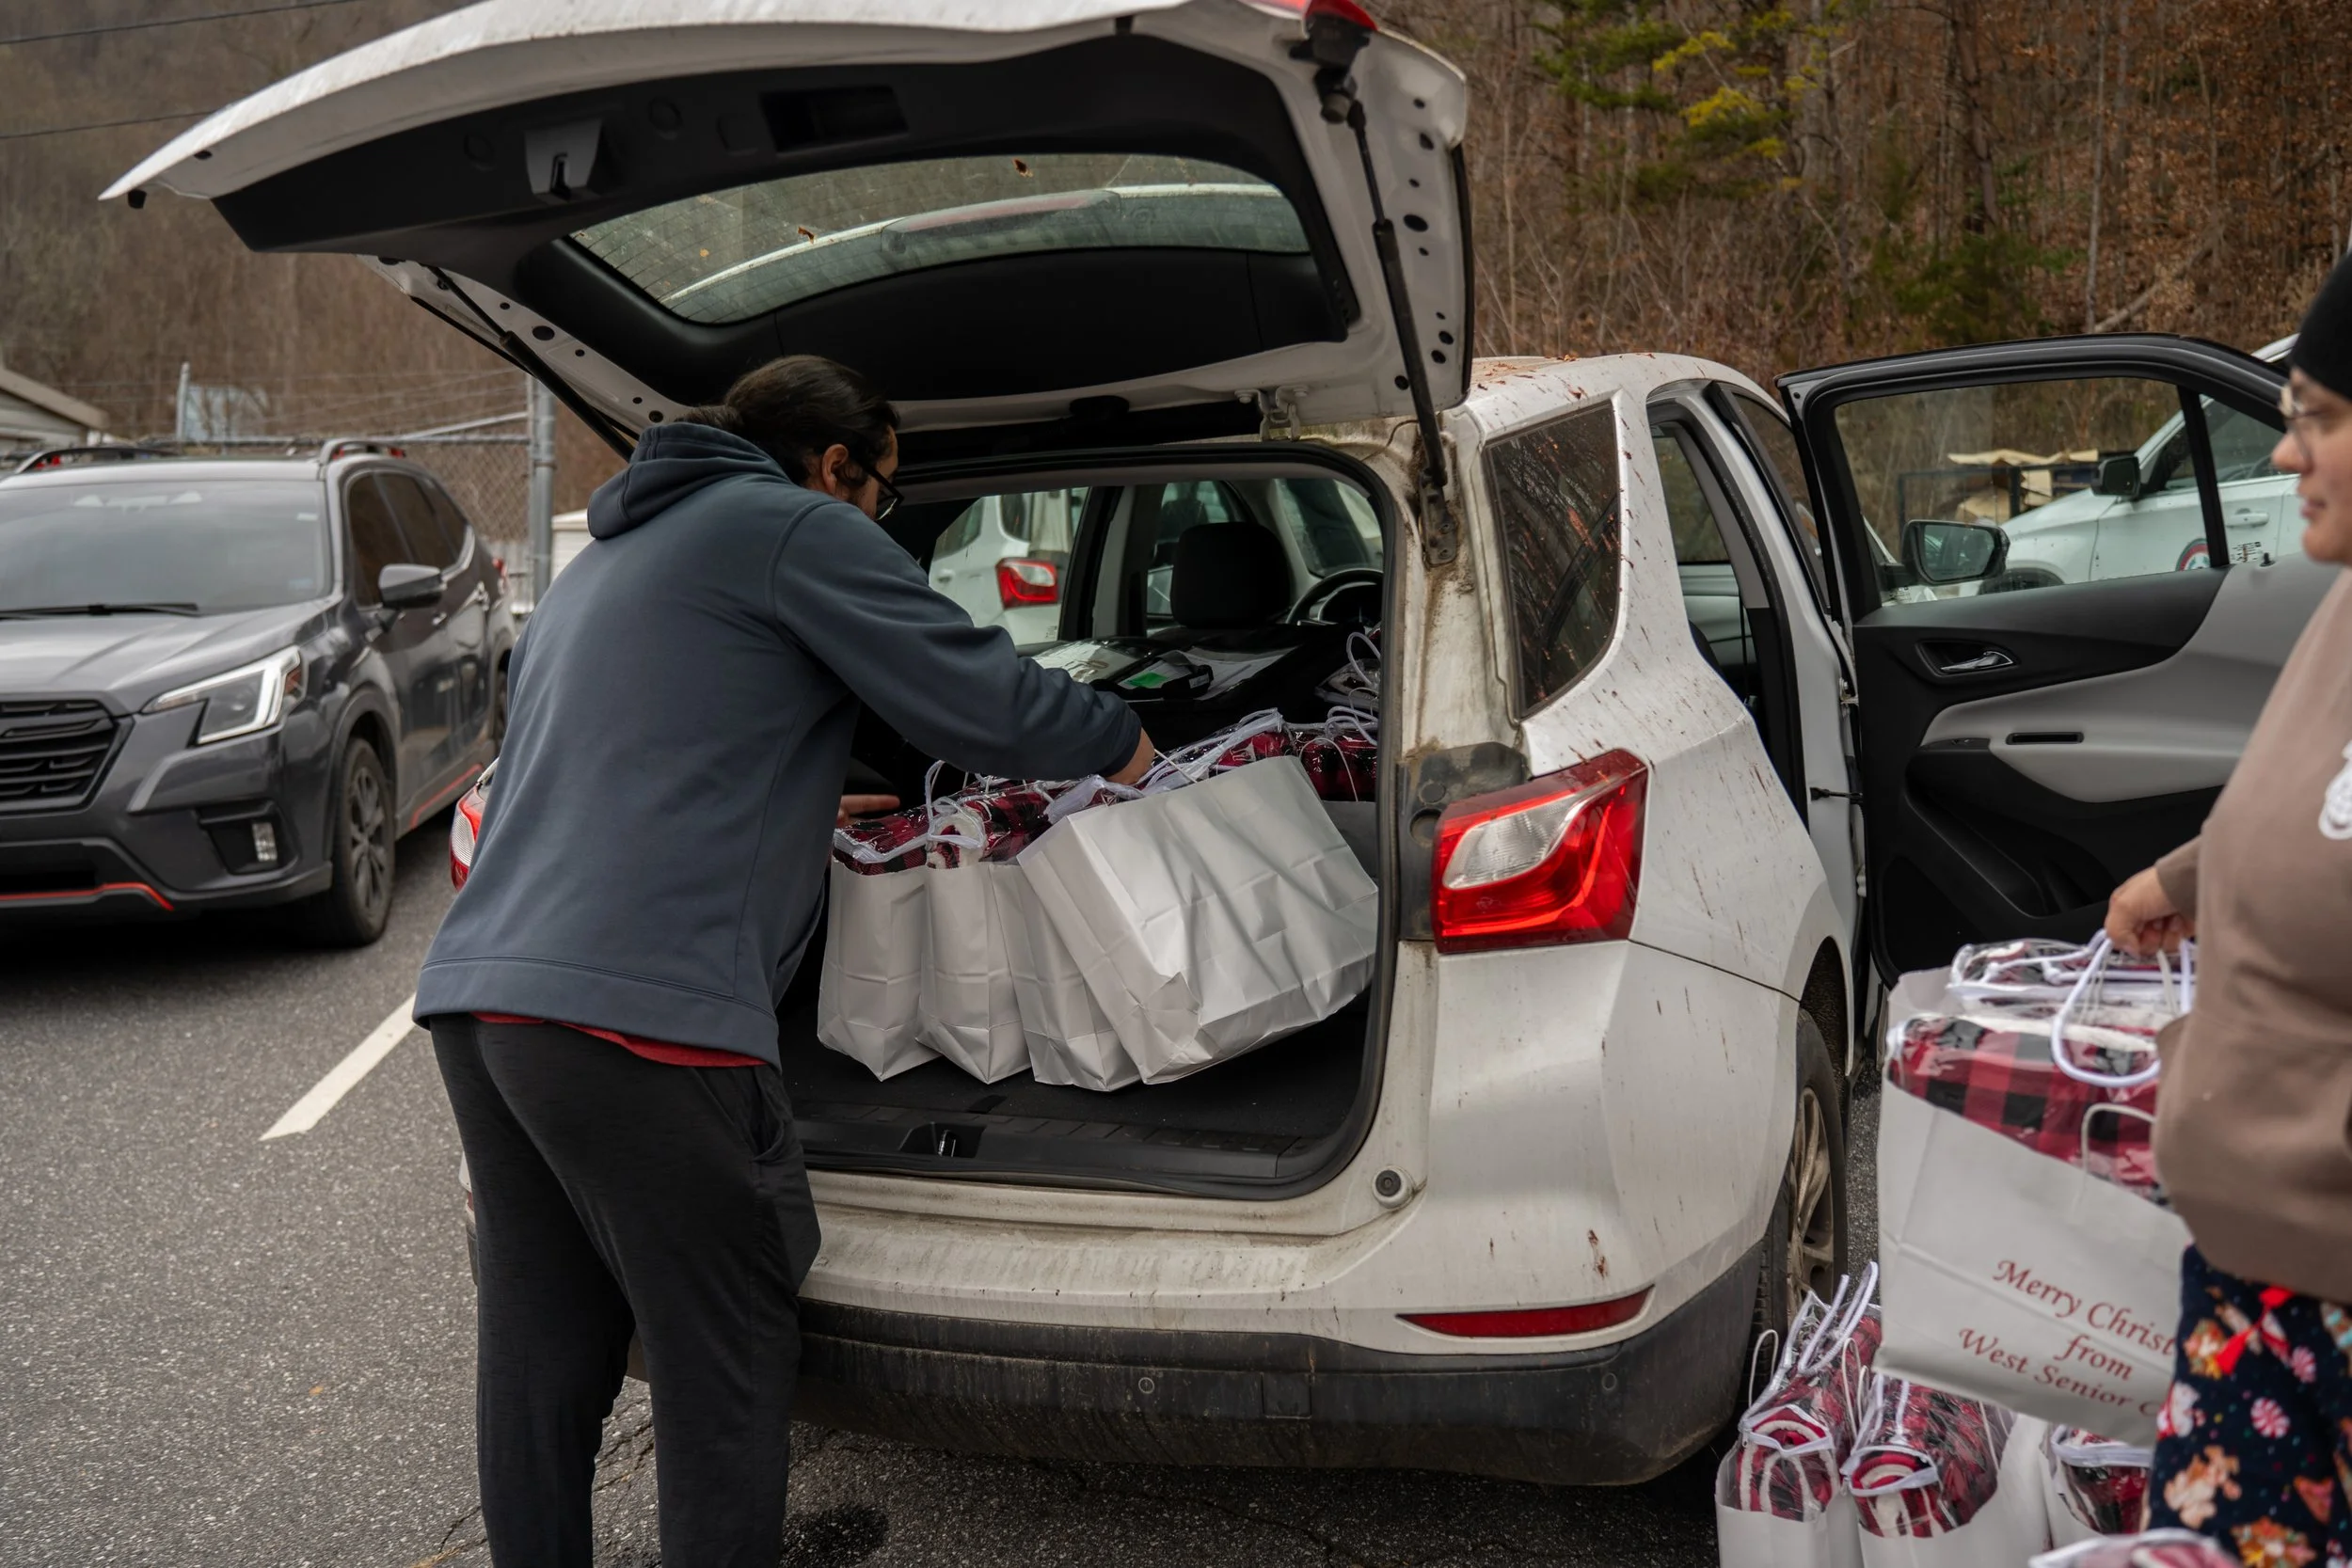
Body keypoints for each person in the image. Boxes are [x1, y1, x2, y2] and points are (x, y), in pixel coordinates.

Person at [414, 356, 1152, 1567]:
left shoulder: (608, 561)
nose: (884, 518)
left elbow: (638, 757)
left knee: (544, 1348)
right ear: (834, 464)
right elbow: (985, 704)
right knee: (728, 1362)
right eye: (887, 492)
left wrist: (800, 800)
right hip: (639, 1021)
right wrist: (1125, 741)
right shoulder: (796, 526)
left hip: (486, 1005)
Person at [2104, 256, 2352, 1566]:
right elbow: (2321, 806)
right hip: (2255, 1293)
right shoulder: (2346, 601)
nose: (2286, 450)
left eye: (2317, 414)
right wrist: (2186, 879)